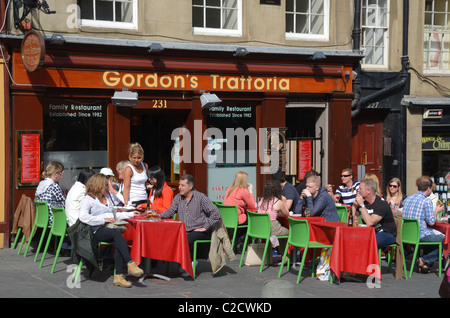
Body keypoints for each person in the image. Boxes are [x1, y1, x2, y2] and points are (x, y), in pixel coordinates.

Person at [79, 173, 143, 287]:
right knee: (117, 234)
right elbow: (83, 217)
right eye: (106, 185)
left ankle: (119, 276)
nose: (109, 188)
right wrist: (103, 220)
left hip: (110, 229)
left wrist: (131, 213)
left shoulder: (107, 197)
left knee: (118, 239)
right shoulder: (88, 199)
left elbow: (114, 215)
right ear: (98, 186)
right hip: (96, 230)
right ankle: (130, 263)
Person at [159, 174, 222, 276]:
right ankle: (182, 262)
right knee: (169, 237)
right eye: (179, 185)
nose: (179, 187)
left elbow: (216, 214)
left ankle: (189, 263)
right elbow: (170, 212)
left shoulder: (201, 198)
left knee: (187, 239)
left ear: (190, 187)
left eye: (182, 185)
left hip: (199, 230)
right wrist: (157, 216)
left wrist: (205, 227)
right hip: (184, 230)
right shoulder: (178, 198)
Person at [402, 176, 445, 273]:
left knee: (432, 235)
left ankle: (425, 264)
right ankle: (425, 260)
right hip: (419, 236)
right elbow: (431, 222)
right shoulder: (426, 201)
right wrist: (437, 211)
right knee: (444, 238)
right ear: (429, 188)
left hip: (406, 235)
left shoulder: (407, 199)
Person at [352, 178, 397, 249]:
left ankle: (370, 260)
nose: (358, 190)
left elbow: (370, 222)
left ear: (368, 191)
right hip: (371, 232)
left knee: (370, 241)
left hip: (387, 233)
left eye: (360, 188)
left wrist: (362, 205)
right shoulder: (364, 202)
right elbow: (350, 220)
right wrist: (354, 206)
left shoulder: (382, 204)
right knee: (351, 238)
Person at [257, 179, 289, 257]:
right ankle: (287, 257)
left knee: (282, 233)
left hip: (261, 228)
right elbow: (287, 214)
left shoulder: (262, 200)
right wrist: (284, 202)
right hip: (272, 228)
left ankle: (283, 255)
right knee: (290, 232)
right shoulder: (277, 202)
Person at [35, 161, 66, 225]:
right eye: (60, 173)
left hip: (42, 219)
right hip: (53, 219)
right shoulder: (54, 186)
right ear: (55, 174)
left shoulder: (41, 184)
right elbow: (64, 204)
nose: (61, 176)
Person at [123, 143, 149, 208]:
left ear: (142, 157)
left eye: (139, 158)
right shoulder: (129, 169)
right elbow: (126, 187)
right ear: (130, 156)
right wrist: (126, 203)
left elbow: (144, 181)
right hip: (133, 199)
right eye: (134, 158)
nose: (136, 160)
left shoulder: (145, 166)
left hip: (144, 198)